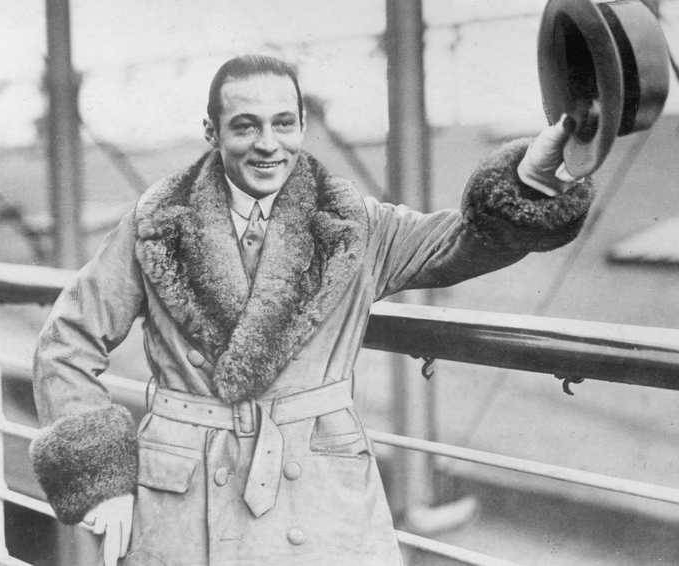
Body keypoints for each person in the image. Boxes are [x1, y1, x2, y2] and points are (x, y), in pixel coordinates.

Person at [30, 55, 593, 566]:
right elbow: (68, 339)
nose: (268, 144)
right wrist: (101, 479)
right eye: (246, 125)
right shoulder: (156, 223)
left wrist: (530, 181)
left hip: (317, 487)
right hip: (183, 490)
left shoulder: (355, 226)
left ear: (302, 126)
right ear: (212, 132)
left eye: (284, 123)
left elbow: (461, 242)